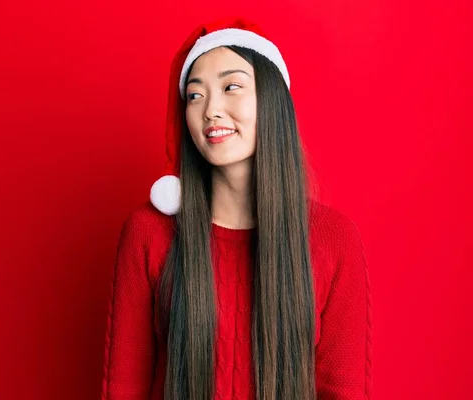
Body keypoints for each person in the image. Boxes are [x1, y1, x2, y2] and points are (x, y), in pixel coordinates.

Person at [101, 17, 372, 400]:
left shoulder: (334, 239)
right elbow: (124, 387)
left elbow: (343, 390)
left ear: (273, 100)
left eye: (231, 87)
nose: (211, 110)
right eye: (195, 95)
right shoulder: (148, 232)